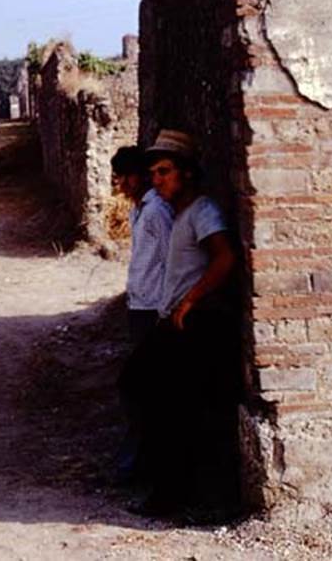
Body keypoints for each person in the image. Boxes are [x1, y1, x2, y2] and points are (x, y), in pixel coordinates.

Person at [136, 129, 238, 518]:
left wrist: (191, 300)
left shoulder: (204, 211)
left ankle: (185, 499)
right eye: (155, 173)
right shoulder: (181, 213)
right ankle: (170, 492)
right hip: (176, 321)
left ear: (187, 174)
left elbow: (225, 258)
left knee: (183, 412)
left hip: (196, 325)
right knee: (149, 393)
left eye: (165, 171)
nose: (157, 179)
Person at [110, 145, 173, 486]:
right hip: (140, 307)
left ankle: (140, 467)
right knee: (138, 388)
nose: (120, 185)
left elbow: (169, 261)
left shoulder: (157, 213)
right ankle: (136, 464)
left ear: (138, 176)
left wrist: (166, 310)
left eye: (123, 177)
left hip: (154, 311)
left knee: (140, 389)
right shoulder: (139, 212)